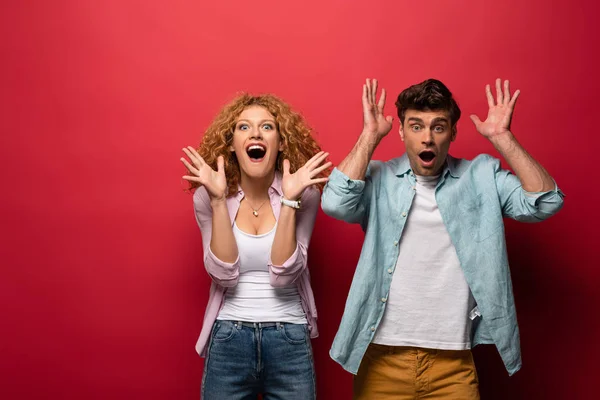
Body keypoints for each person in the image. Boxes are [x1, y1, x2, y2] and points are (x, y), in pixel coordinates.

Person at [321, 78, 564, 399]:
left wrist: (503, 138)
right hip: (382, 356)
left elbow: (545, 202)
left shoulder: (481, 177)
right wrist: (369, 136)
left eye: (438, 126)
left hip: (453, 362)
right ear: (402, 131)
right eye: (416, 126)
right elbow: (335, 202)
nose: (427, 137)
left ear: (452, 132)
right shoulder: (380, 178)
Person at [180, 93, 330, 400]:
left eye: (267, 127)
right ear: (231, 144)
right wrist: (219, 200)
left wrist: (289, 201)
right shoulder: (206, 198)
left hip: (289, 337)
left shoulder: (306, 194)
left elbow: (284, 275)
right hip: (229, 338)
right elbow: (223, 275)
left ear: (282, 141)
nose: (256, 134)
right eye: (244, 127)